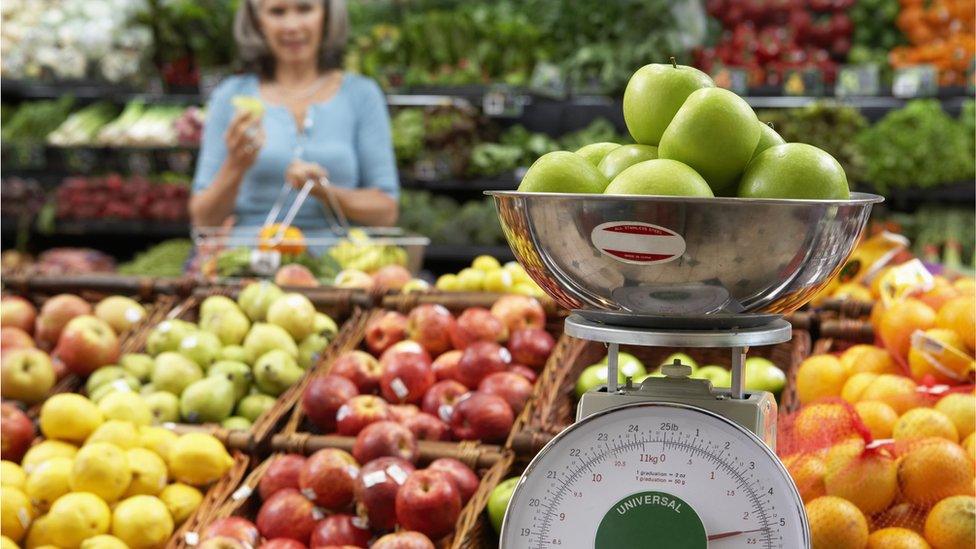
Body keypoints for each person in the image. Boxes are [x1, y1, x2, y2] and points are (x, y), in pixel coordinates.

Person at [190, 0, 399, 232]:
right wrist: (236, 164)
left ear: (326, 15)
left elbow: (386, 212)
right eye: (277, 12)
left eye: (305, 8)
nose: (291, 25)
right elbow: (204, 221)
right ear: (259, 22)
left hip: (338, 262)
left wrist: (323, 191)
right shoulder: (231, 96)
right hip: (251, 259)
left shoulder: (361, 94)